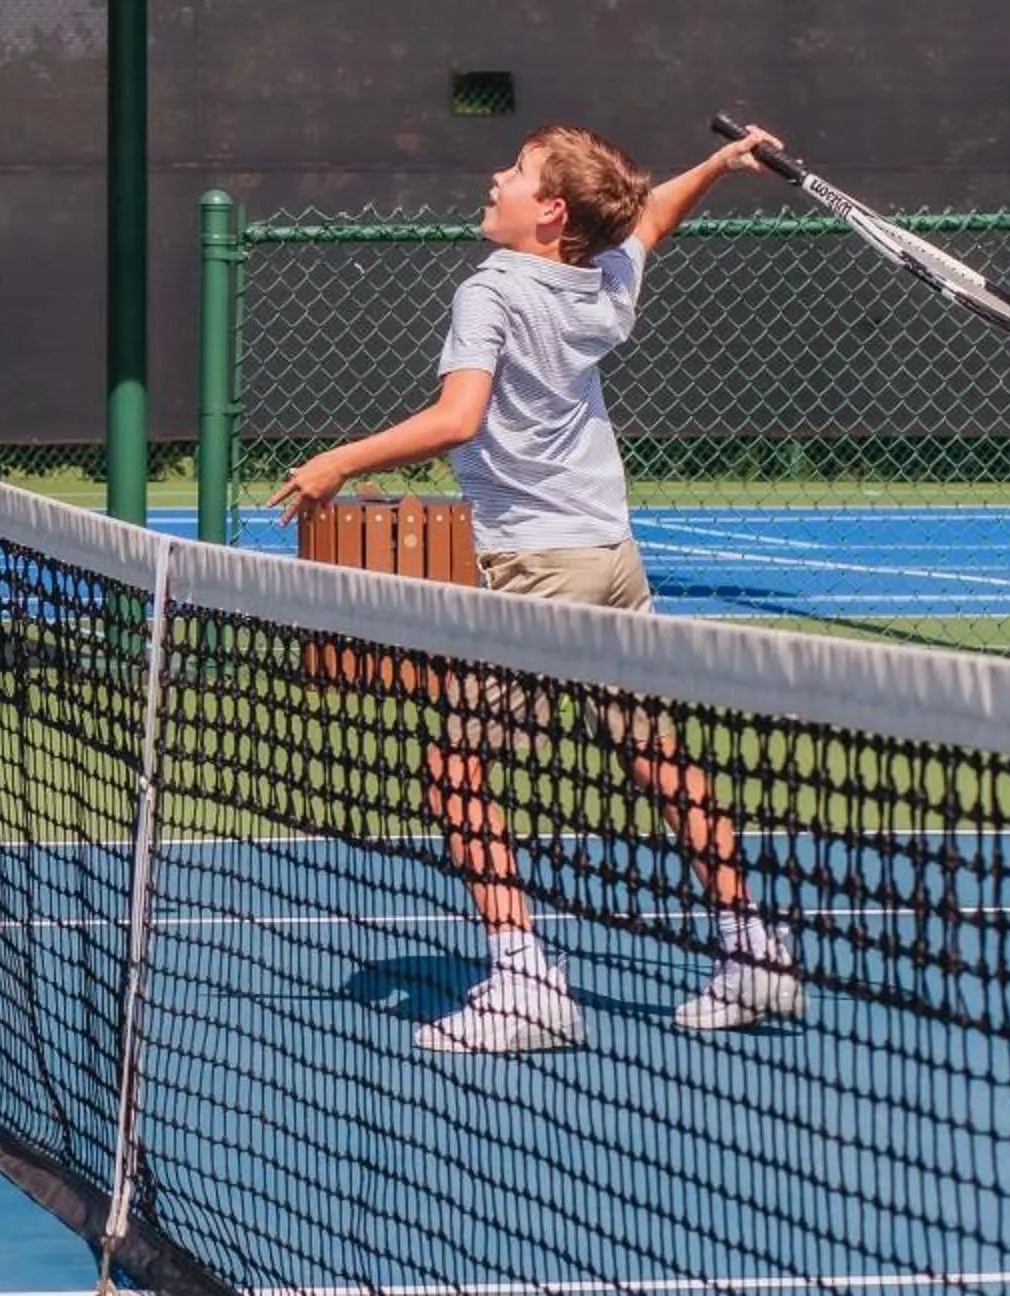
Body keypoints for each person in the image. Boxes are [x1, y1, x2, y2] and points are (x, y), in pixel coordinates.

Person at [271, 123, 804, 1054]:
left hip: (537, 571)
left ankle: (523, 981)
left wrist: (338, 463)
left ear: (549, 210)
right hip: (610, 556)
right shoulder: (599, 285)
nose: (495, 178)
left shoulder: (492, 291)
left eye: (514, 173)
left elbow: (457, 417)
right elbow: (651, 223)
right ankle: (752, 948)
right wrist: (718, 165)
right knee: (657, 754)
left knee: (453, 773)